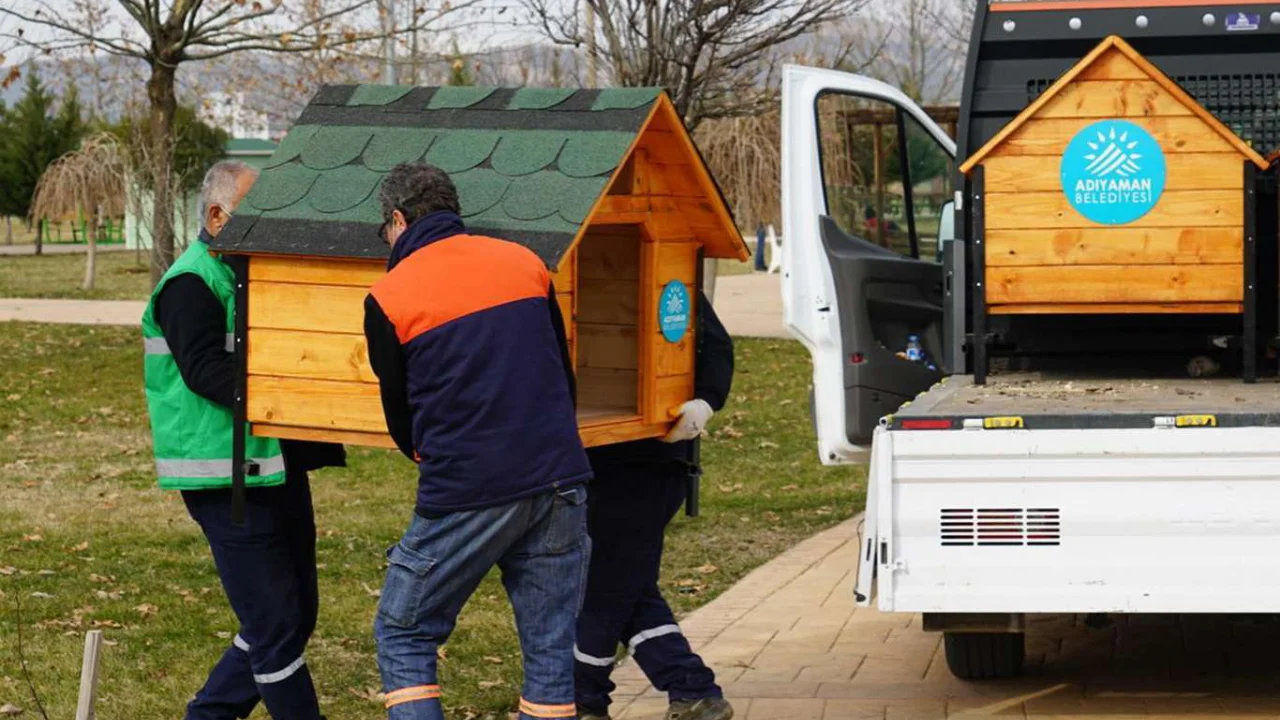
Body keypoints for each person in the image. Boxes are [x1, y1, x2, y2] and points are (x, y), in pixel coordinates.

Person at [363, 162, 592, 720]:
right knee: (549, 648)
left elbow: (402, 416)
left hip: (469, 488)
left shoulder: (389, 297)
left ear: (398, 220)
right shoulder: (526, 264)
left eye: (384, 232)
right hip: (560, 478)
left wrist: (431, 453)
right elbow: (563, 376)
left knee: (404, 630)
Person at [141, 161, 346, 720]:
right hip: (222, 478)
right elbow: (207, 372)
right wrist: (288, 383)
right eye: (259, 211)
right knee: (275, 625)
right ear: (216, 215)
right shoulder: (190, 283)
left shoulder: (245, 271)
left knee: (295, 615)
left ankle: (209, 716)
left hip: (272, 467)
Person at [574, 293, 735, 720]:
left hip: (645, 463)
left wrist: (704, 401)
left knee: (603, 588)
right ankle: (692, 690)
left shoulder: (668, 281)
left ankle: (582, 698)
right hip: (596, 463)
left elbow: (714, 346)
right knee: (628, 588)